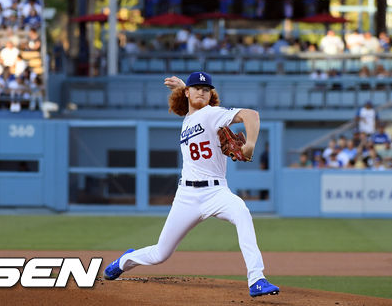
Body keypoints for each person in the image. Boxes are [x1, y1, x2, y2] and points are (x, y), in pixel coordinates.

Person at [103, 72, 280, 298]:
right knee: (160, 254)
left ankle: (257, 279)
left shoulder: (213, 114)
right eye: (196, 88)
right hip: (186, 195)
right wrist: (182, 87)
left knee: (242, 212)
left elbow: (251, 115)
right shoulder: (188, 118)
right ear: (188, 92)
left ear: (211, 95)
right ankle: (125, 260)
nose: (202, 91)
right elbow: (191, 108)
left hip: (216, 192)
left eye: (206, 89)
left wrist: (251, 145)